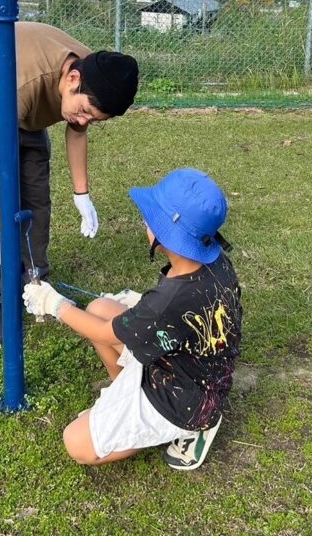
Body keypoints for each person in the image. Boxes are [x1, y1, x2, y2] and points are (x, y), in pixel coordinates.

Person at [23, 168, 243, 470]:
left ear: (168, 232)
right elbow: (181, 314)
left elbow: (104, 333)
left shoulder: (168, 302)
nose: (145, 220)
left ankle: (190, 428)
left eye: (152, 216)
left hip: (185, 401)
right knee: (100, 306)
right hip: (196, 367)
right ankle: (123, 396)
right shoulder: (214, 260)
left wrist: (54, 304)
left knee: (76, 443)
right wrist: (141, 304)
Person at [0, 20, 139, 344]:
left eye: (94, 118)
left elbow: (77, 131)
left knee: (36, 198)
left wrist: (82, 194)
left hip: (30, 109)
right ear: (72, 79)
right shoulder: (25, 83)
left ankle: (35, 280)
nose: (83, 120)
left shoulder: (95, 75)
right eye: (83, 111)